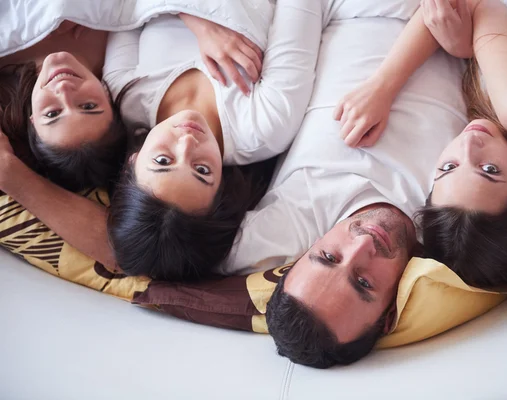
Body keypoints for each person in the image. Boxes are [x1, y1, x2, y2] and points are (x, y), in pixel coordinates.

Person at [219, 4, 467, 368]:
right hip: (459, 20)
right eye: (364, 283)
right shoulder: (455, 228)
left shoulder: (293, 222)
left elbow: (169, 247)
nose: (363, 244)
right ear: (389, 317)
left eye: (328, 256)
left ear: (300, 257)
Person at [335, 0, 507, 291]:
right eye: (489, 169)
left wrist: (382, 87)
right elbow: (473, 5)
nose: (469, 144)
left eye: (449, 167)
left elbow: (446, 10)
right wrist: (385, 85)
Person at [102, 0, 322, 281]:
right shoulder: (264, 125)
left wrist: (197, 20)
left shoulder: (125, 94)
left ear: (131, 164)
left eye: (163, 160)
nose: (187, 142)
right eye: (202, 170)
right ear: (221, 186)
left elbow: (122, 6)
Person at [0, 23, 127, 191]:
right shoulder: (116, 35)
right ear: (108, 96)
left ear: (33, 119)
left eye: (52, 113)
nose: (64, 91)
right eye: (88, 106)